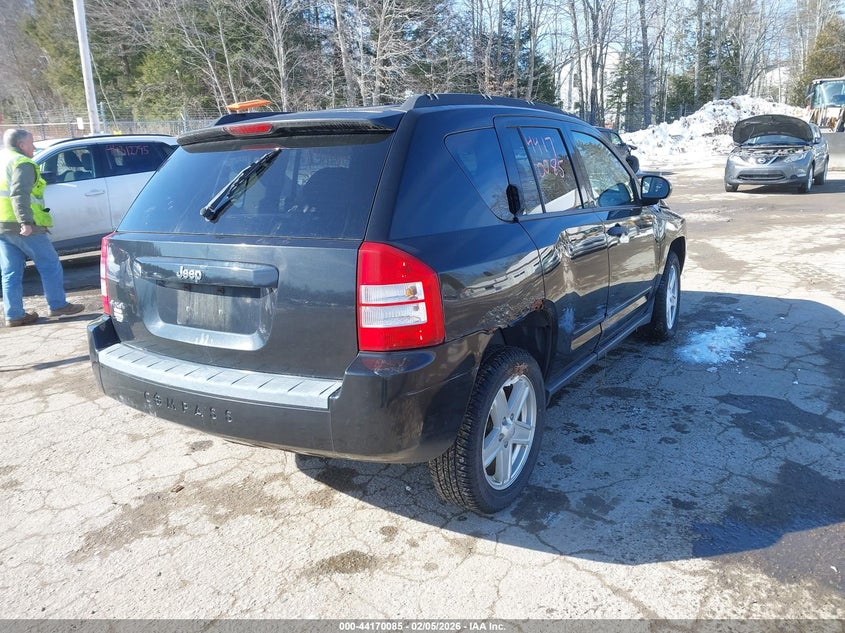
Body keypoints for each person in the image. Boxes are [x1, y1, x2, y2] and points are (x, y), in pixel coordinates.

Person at [0, 128, 84, 326]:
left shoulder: (2, 159)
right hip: (23, 225)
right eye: (31, 143)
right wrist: (25, 222)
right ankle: (58, 305)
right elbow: (19, 194)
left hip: (3, 225)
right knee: (50, 264)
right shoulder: (22, 163)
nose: (34, 147)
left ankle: (14, 315)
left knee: (10, 271)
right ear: (21, 145)